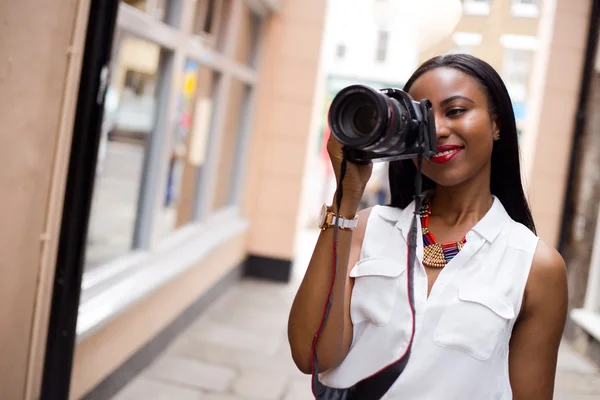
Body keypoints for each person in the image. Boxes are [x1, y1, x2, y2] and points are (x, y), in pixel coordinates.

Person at [287, 54, 568, 399]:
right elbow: (311, 354)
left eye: (456, 110)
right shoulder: (364, 227)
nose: (437, 130)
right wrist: (346, 197)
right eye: (422, 119)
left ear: (497, 125)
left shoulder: (535, 266)